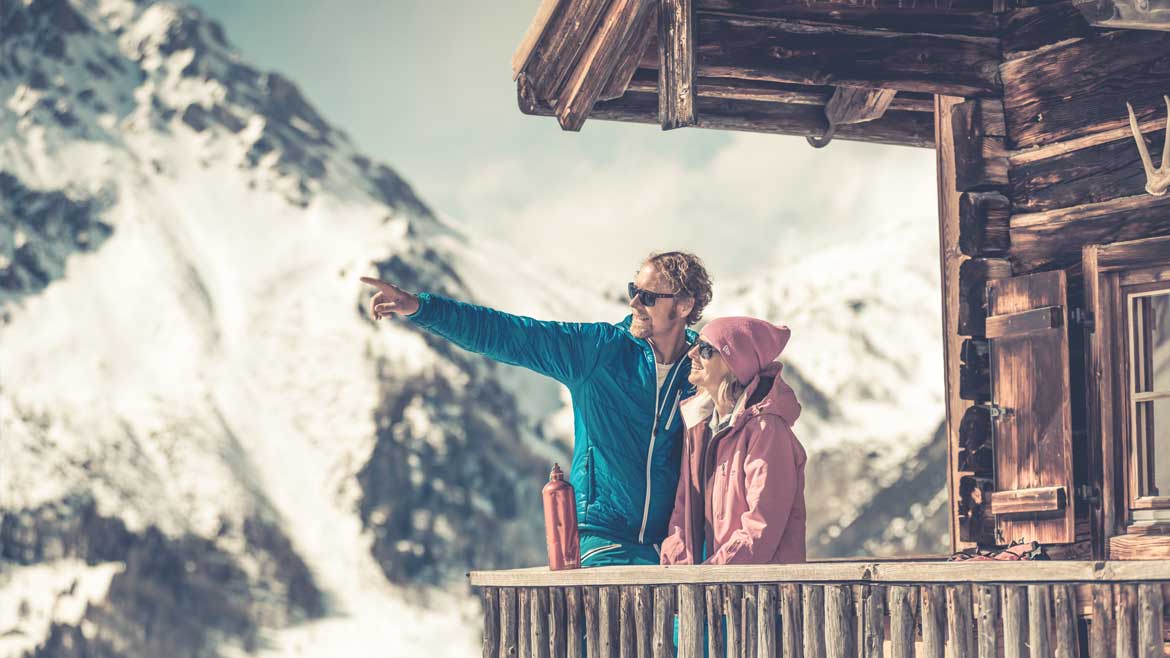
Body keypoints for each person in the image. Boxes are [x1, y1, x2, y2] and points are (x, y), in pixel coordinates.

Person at [361, 252, 713, 566]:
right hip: (603, 542)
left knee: (699, 636)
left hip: (670, 549)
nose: (634, 302)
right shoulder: (598, 351)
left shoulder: (703, 367)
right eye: (632, 290)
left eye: (648, 297)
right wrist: (423, 308)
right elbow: (511, 335)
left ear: (683, 306)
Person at [659, 316, 806, 566]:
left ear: (733, 364)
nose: (692, 353)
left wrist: (711, 575)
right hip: (713, 590)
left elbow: (761, 527)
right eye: (696, 343)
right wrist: (676, 574)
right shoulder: (700, 428)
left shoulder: (767, 430)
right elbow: (682, 514)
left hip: (764, 595)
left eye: (706, 350)